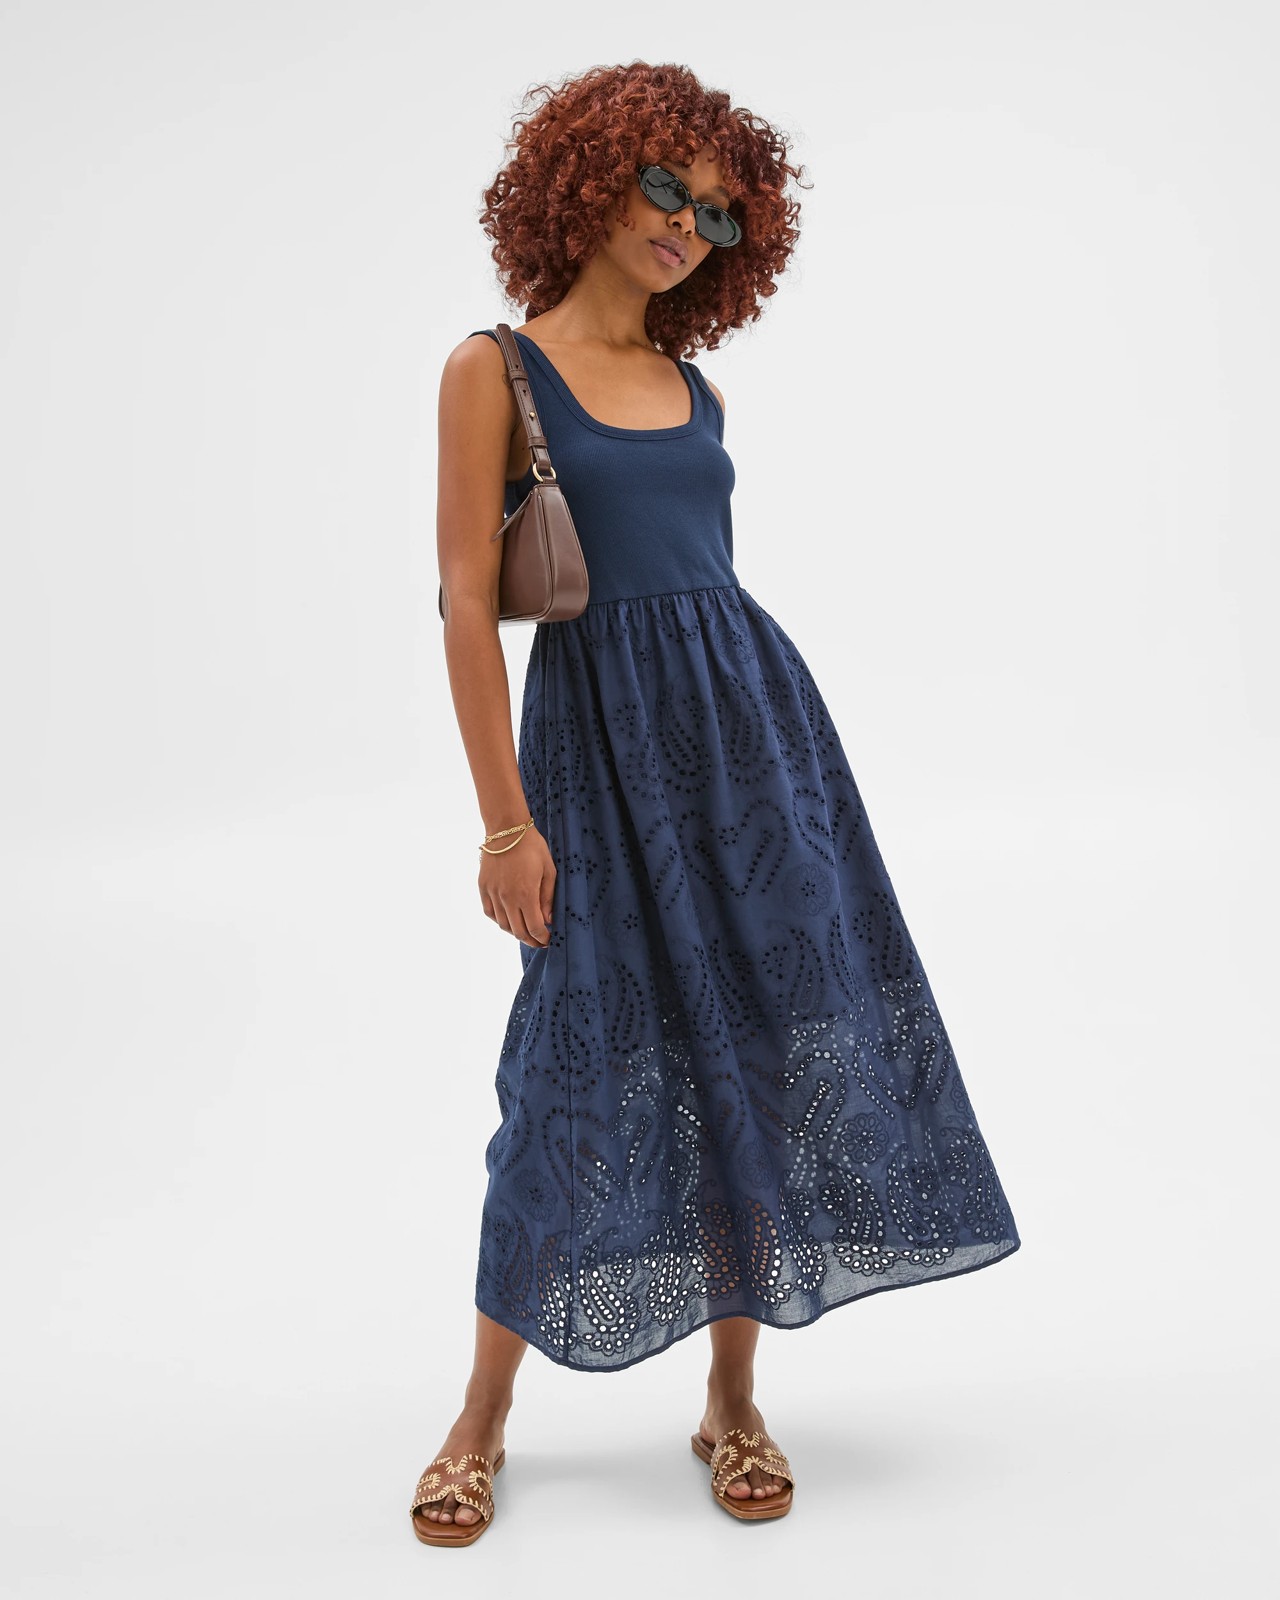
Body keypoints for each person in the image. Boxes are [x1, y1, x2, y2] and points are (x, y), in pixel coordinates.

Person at [414, 60, 1021, 1545]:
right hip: (594, 754)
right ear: (586, 178)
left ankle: (733, 1401)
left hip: (752, 745)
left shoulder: (701, 389)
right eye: (664, 188)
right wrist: (505, 822)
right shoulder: (493, 370)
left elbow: (707, 582)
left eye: (719, 214)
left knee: (751, 1051)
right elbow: (466, 601)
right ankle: (481, 1417)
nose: (688, 225)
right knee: (564, 1074)